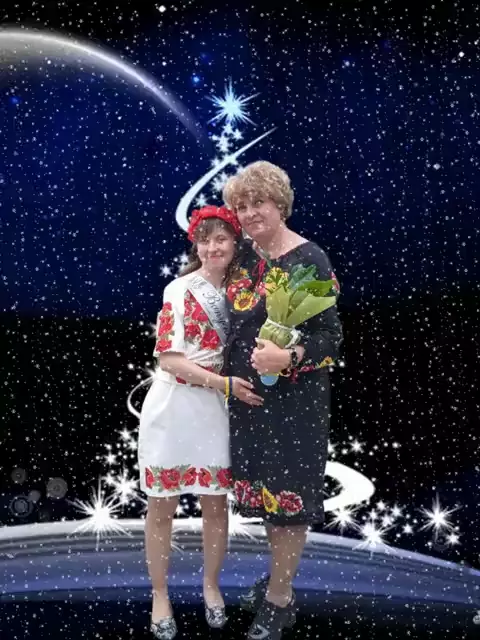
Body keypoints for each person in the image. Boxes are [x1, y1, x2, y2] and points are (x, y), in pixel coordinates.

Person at [222, 161, 343, 640]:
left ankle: (279, 600)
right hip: (248, 405)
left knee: (289, 506)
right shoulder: (242, 259)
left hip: (294, 409)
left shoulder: (310, 259)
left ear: (281, 205)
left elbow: (331, 340)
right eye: (242, 206)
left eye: (259, 203)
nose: (250, 213)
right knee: (269, 505)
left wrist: (288, 357)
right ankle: (279, 580)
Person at [138, 205, 264, 640]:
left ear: (234, 243)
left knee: (215, 504)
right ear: (196, 245)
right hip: (173, 407)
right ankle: (160, 594)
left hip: (215, 410)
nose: (213, 247)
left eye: (221, 239)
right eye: (204, 240)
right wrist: (225, 383)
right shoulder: (178, 289)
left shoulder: (245, 293)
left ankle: (211, 585)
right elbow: (170, 360)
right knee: (161, 506)